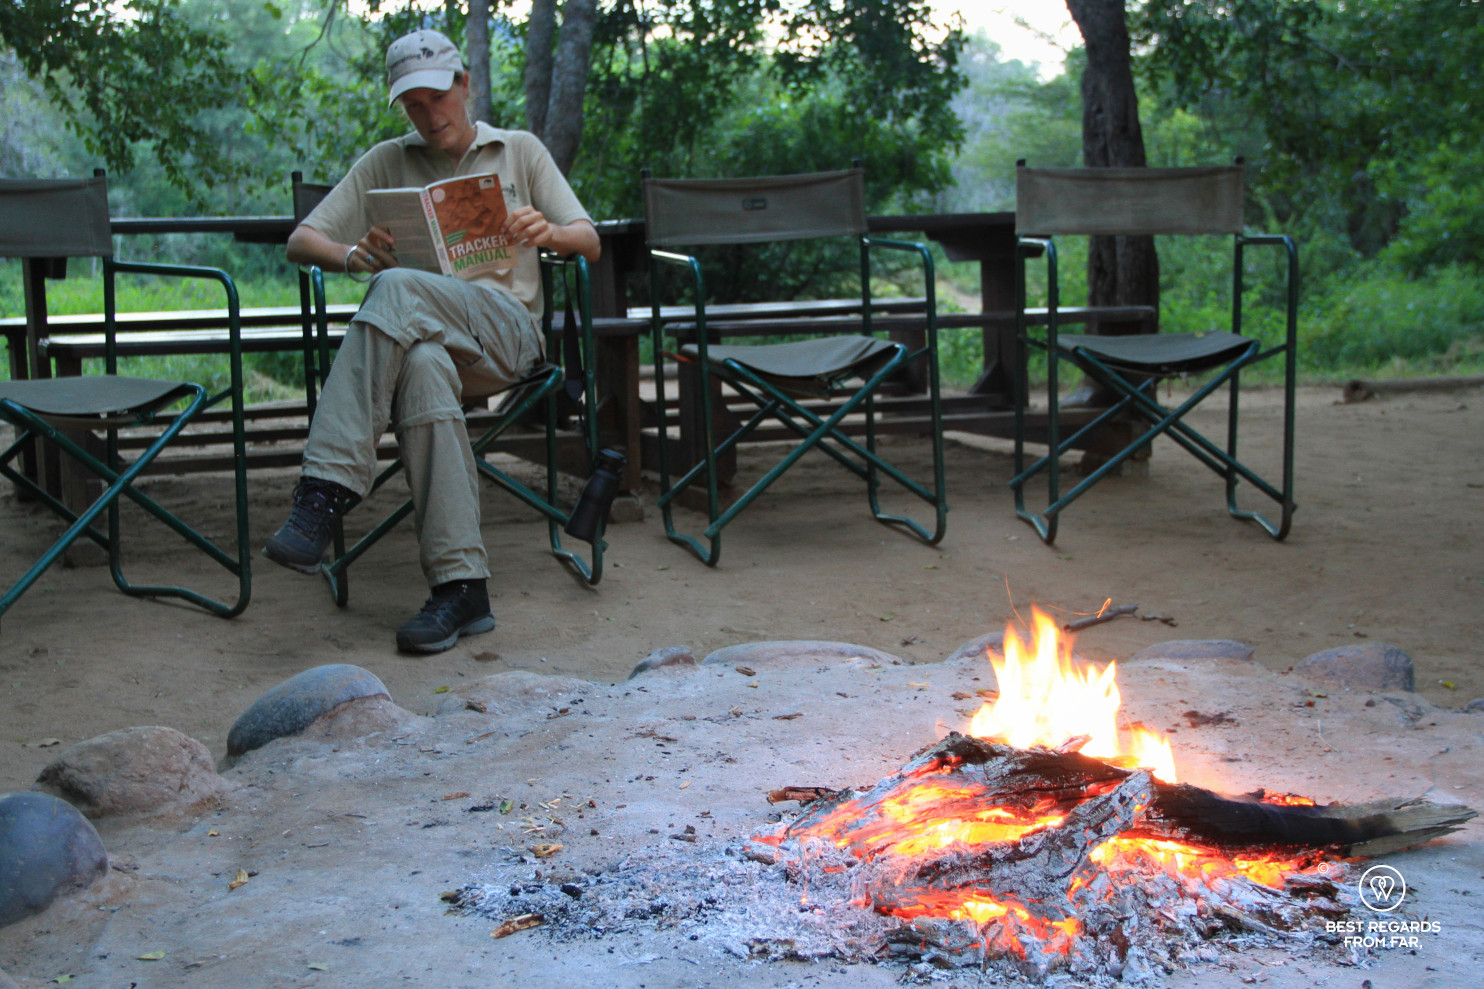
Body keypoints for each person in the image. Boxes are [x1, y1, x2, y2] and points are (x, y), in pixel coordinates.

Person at [265, 28, 601, 654]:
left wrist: (546, 231)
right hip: (430, 342)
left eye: (436, 97)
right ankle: (461, 587)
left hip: (508, 336)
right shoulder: (387, 159)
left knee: (396, 288)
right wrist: (351, 254)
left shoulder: (519, 150)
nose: (428, 114)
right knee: (420, 364)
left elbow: (589, 239)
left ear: (464, 84)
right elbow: (299, 241)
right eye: (412, 104)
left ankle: (324, 492)